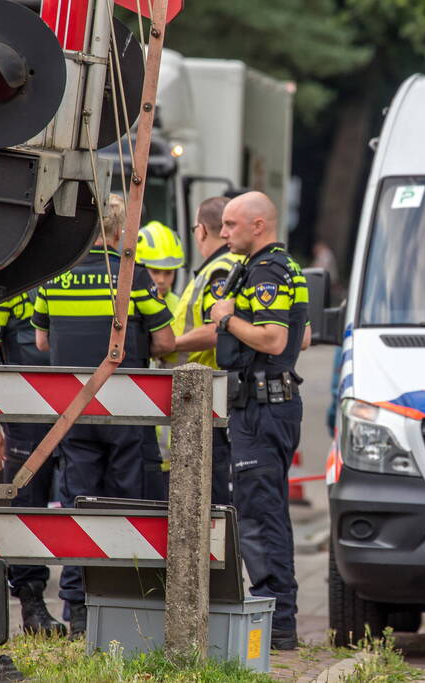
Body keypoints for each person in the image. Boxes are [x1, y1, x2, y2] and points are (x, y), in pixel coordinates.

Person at [31, 193, 175, 638]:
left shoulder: (53, 275)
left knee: (79, 505)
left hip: (74, 412)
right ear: (119, 233)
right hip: (127, 412)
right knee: (128, 507)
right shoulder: (132, 279)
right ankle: (126, 609)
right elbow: (167, 341)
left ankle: (77, 611)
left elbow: (40, 343)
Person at [210, 191, 310, 651]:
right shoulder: (284, 267)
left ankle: (275, 623)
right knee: (269, 515)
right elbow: (302, 335)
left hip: (263, 409)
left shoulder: (267, 270)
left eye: (231, 225)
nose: (223, 232)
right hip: (273, 405)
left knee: (258, 517)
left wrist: (228, 320)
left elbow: (273, 338)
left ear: (258, 226)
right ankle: (279, 618)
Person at [0, 290, 67, 637]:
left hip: (79, 416)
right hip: (27, 420)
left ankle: (83, 607)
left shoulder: (73, 280)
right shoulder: (14, 290)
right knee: (26, 511)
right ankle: (32, 607)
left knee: (83, 505)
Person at [169, 196, 245, 505]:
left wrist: (169, 345)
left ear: (201, 230)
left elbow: (219, 329)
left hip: (205, 394)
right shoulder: (223, 267)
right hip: (205, 394)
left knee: (209, 495)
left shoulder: (219, 272)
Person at [135, 219, 186, 495]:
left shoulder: (181, 306)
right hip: (138, 442)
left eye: (170, 272)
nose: (163, 280)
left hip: (175, 451)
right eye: (155, 271)